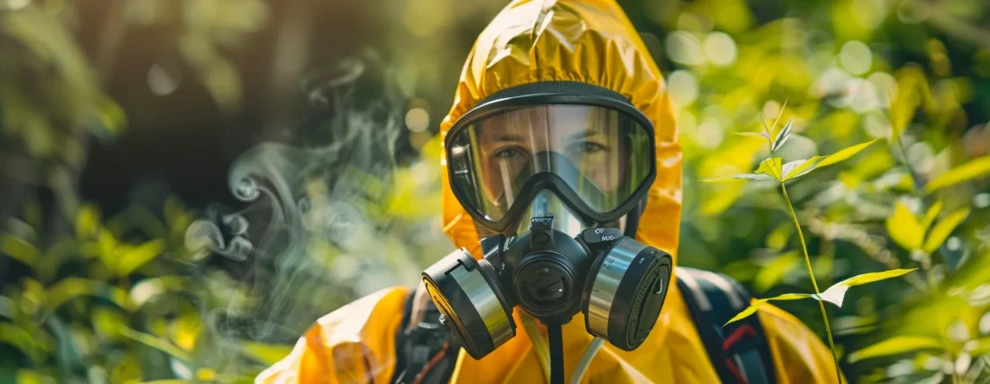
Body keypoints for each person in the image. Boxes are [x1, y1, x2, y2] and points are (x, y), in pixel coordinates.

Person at [257, 0, 840, 383]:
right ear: (467, 179)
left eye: (589, 151)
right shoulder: (364, 359)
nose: (549, 203)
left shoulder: (750, 350)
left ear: (651, 174)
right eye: (509, 155)